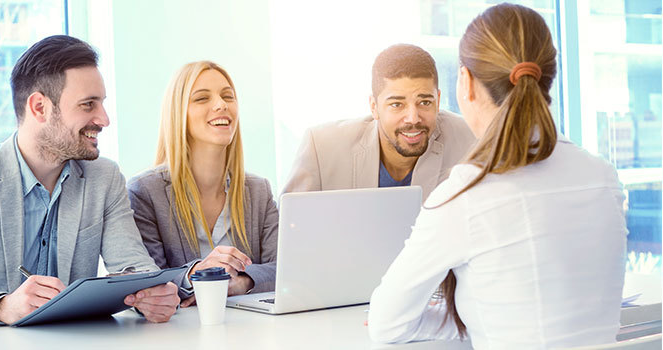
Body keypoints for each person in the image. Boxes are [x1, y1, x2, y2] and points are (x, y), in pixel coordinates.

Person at [368, 4, 627, 348]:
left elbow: (387, 325)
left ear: (466, 83)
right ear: (548, 77)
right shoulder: (604, 176)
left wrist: (467, 318)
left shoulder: (466, 193)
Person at [0, 35, 184, 328]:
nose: (104, 119)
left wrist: (154, 296)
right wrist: (0, 307)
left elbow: (132, 267)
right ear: (39, 108)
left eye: (102, 103)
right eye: (88, 105)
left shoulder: (104, 178)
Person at [128, 61, 278, 306]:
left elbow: (284, 269)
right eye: (201, 98)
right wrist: (196, 277)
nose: (221, 105)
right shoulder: (144, 192)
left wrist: (241, 283)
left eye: (227, 96)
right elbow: (146, 280)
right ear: (178, 114)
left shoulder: (259, 190)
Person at [282, 44, 475, 202]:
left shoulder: (472, 141)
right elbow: (290, 232)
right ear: (374, 106)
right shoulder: (321, 147)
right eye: (397, 104)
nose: (413, 118)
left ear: (438, 100)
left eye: (425, 102)